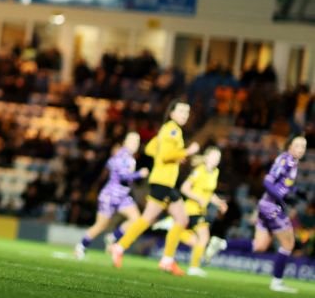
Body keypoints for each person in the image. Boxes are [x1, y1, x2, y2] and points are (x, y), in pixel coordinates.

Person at [111, 99, 199, 275]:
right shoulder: (173, 129)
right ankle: (120, 247)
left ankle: (166, 259)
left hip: (165, 182)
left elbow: (151, 149)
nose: (185, 115)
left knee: (180, 219)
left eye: (187, 112)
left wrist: (174, 156)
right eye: (181, 111)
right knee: (148, 219)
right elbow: (165, 154)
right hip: (163, 182)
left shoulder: (167, 129)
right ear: (172, 113)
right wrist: (186, 152)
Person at [210, 136, 308, 293]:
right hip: (272, 207)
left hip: (266, 206)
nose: (301, 149)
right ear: (289, 146)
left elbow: (282, 184)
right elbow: (268, 182)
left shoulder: (293, 162)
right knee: (288, 244)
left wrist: (297, 192)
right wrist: (283, 197)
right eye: (298, 145)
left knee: (259, 246)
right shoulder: (286, 160)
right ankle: (277, 282)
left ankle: (221, 244)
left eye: (304, 146)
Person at [152, 146, 227, 277]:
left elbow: (209, 193)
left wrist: (219, 202)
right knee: (204, 237)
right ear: (207, 157)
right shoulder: (199, 171)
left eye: (218, 158)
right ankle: (194, 267)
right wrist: (198, 198)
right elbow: (184, 188)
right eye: (214, 156)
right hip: (191, 209)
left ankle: (173, 227)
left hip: (201, 210)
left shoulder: (216, 172)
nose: (216, 160)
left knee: (196, 241)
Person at [74, 132, 149, 259]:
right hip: (110, 196)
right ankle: (81, 246)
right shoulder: (123, 156)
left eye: (136, 142)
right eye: (131, 141)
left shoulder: (127, 157)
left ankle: (113, 236)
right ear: (125, 142)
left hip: (123, 196)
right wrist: (139, 174)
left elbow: (109, 164)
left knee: (136, 219)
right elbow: (122, 176)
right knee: (101, 225)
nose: (134, 144)